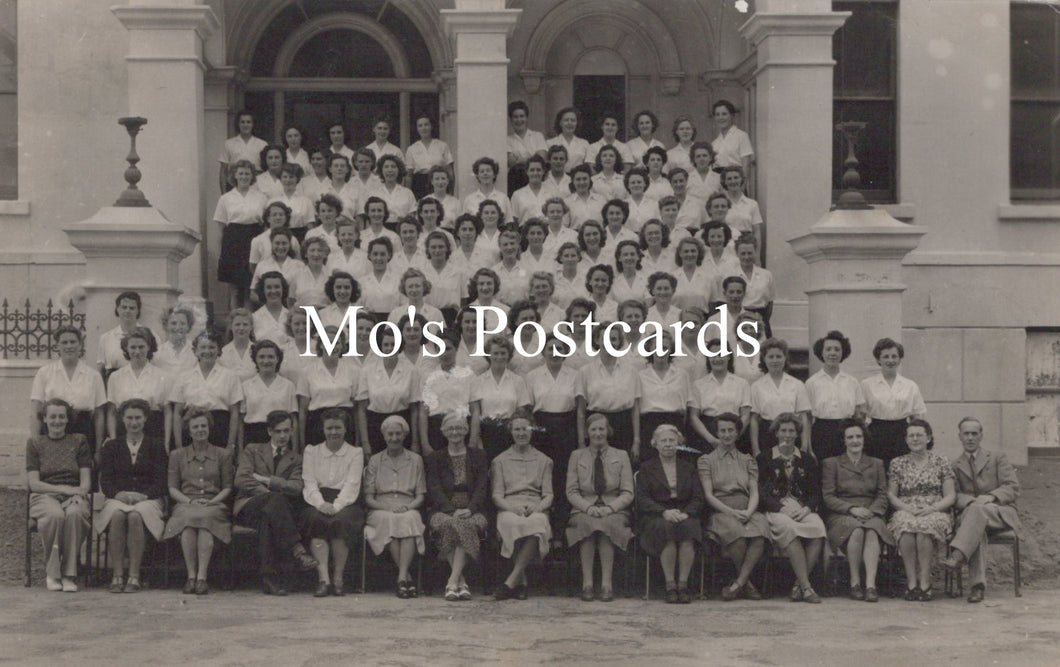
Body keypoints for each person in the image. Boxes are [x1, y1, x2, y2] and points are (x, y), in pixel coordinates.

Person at [233, 411, 318, 595]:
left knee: (268, 519)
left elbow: (296, 487)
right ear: (269, 431)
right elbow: (241, 480)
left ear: (292, 431)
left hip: (274, 513)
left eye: (286, 431)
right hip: (249, 505)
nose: (282, 436)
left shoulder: (296, 459)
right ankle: (297, 550)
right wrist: (270, 492)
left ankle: (269, 579)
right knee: (275, 501)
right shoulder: (252, 450)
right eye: (278, 431)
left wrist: (268, 480)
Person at [939, 417, 1022, 603]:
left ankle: (958, 555)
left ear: (981, 436)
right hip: (971, 517)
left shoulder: (997, 458)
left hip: (998, 513)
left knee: (976, 514)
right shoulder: (954, 465)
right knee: (976, 525)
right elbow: (955, 495)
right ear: (959, 436)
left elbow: (1012, 487)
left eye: (974, 433)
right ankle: (977, 587)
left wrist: (991, 497)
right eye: (966, 434)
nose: (970, 438)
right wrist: (972, 502)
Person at [96, 399, 168, 593]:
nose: (133, 422)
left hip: (148, 499)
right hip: (118, 498)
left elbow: (162, 481)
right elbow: (106, 481)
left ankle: (134, 576)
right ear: (122, 419)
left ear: (145, 419)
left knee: (136, 515)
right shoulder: (111, 446)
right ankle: (118, 575)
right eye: (129, 418)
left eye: (138, 418)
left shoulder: (156, 445)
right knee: (118, 515)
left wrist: (145, 496)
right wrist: (118, 494)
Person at [698, 412, 769, 601]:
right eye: (723, 431)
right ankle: (747, 584)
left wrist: (749, 511)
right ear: (717, 433)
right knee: (737, 536)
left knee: (759, 532)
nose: (727, 435)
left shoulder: (748, 460)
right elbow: (708, 495)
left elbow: (754, 491)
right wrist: (731, 512)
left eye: (731, 430)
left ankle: (737, 584)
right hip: (721, 510)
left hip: (747, 508)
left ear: (738, 433)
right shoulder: (706, 461)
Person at [162, 408, 235, 595]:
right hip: (186, 503)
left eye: (203, 425)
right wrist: (189, 501)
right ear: (189, 430)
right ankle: (191, 577)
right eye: (195, 427)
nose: (200, 430)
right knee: (188, 524)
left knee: (205, 523)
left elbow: (227, 487)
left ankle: (202, 577)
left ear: (209, 428)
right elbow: (172, 488)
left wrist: (213, 502)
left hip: (214, 504)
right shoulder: (177, 455)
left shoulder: (223, 454)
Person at [757, 413, 827, 604]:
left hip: (801, 507)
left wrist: (806, 509)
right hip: (776, 509)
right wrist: (780, 508)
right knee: (790, 529)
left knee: (818, 528)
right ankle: (806, 587)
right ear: (776, 433)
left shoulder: (807, 459)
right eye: (783, 431)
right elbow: (761, 493)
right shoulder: (764, 458)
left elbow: (815, 492)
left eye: (791, 431)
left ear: (797, 434)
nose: (787, 435)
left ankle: (798, 584)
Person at [26, 398, 93, 592]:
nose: (57, 421)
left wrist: (78, 493)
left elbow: (86, 482)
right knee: (55, 516)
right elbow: (34, 484)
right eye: (52, 416)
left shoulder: (79, 440)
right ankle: (53, 574)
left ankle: (68, 574)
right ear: (44, 419)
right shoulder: (35, 443)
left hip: (74, 495)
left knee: (74, 514)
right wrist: (65, 490)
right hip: (44, 495)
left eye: (61, 416)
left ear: (68, 419)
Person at [822, 419, 892, 603]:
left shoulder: (876, 463)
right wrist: (852, 509)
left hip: (871, 512)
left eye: (858, 436)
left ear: (864, 439)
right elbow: (828, 497)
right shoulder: (832, 463)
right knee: (857, 529)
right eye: (850, 437)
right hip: (842, 514)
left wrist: (873, 511)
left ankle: (870, 585)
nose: (855, 441)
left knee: (871, 529)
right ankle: (855, 582)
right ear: (844, 440)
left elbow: (882, 494)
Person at [566, 413, 634, 602]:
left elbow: (628, 492)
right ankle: (587, 583)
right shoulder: (576, 456)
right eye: (593, 429)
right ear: (587, 433)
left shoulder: (621, 456)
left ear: (608, 431)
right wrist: (588, 508)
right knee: (588, 523)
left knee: (606, 523)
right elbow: (571, 491)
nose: (598, 433)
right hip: (583, 509)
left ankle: (606, 584)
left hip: (613, 509)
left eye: (601, 429)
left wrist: (610, 508)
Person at [886, 419, 955, 602]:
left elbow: (950, 496)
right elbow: (892, 495)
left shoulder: (941, 461)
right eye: (911, 435)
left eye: (919, 435)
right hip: (905, 508)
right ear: (906, 440)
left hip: (935, 509)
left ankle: (925, 582)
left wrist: (932, 508)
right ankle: (911, 583)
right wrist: (907, 508)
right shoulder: (897, 463)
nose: (915, 439)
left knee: (925, 526)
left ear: (929, 438)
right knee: (905, 525)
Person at [636, 424, 706, 603]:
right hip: (656, 514)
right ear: (655, 444)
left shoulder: (688, 467)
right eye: (663, 441)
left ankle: (682, 585)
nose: (667, 444)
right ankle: (670, 586)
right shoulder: (646, 467)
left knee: (689, 529)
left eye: (671, 440)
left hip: (684, 512)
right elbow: (642, 499)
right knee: (666, 529)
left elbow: (698, 497)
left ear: (678, 443)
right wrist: (663, 512)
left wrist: (687, 513)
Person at [301, 409, 365, 597]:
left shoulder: (355, 453)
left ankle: (338, 578)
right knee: (316, 520)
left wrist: (336, 506)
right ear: (323, 429)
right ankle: (323, 579)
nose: (333, 432)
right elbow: (309, 482)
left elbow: (352, 484)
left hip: (346, 502)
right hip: (316, 500)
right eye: (329, 428)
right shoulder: (312, 451)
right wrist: (321, 504)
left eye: (338, 427)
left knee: (340, 522)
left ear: (345, 430)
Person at [425, 413, 490, 601]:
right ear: (443, 432)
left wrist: (469, 509)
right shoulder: (435, 458)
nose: (455, 432)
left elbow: (482, 487)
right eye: (451, 428)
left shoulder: (478, 456)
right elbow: (434, 488)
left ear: (467, 431)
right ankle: (460, 582)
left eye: (459, 428)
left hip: (473, 510)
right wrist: (452, 511)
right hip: (443, 510)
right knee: (450, 524)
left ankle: (452, 581)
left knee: (465, 524)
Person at [492, 411, 554, 600]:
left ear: (532, 431)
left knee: (537, 524)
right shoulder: (500, 460)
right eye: (517, 429)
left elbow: (549, 494)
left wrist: (539, 507)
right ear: (511, 432)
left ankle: (510, 582)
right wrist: (512, 508)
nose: (521, 433)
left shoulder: (544, 460)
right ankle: (521, 582)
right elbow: (496, 495)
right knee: (512, 523)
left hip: (536, 506)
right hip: (509, 506)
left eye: (525, 429)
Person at [364, 415, 427, 599]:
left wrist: (408, 507)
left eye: (398, 433)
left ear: (404, 435)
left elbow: (420, 495)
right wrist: (386, 507)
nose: (394, 438)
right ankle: (406, 577)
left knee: (409, 519)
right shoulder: (375, 460)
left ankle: (400, 578)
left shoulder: (416, 460)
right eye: (390, 434)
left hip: (408, 505)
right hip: (380, 508)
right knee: (391, 519)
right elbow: (368, 498)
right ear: (384, 436)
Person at [29, 325, 106, 458]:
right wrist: (36, 444)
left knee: (84, 472)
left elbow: (99, 415)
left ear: (80, 345)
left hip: (84, 429)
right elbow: (36, 412)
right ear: (57, 346)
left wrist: (98, 449)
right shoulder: (44, 373)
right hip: (53, 430)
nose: (69, 346)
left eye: (73, 341)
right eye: (64, 342)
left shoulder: (93, 376)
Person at [170, 331, 243, 450]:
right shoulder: (184, 377)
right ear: (195, 351)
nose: (207, 351)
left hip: (220, 429)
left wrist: (230, 444)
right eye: (203, 347)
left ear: (219, 350)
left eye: (212, 347)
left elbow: (235, 413)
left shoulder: (230, 376)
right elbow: (177, 413)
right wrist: (179, 445)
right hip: (192, 428)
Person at [356, 328, 423, 454]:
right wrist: (365, 443)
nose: (390, 348)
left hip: (403, 427)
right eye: (386, 344)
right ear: (380, 347)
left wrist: (415, 442)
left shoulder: (411, 371)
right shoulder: (367, 371)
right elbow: (362, 410)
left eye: (394, 344)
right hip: (375, 426)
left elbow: (414, 409)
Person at [862, 337, 927, 466]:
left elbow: (917, 416)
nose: (890, 360)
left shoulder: (910, 385)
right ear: (878, 360)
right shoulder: (866, 384)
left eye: (894, 356)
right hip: (876, 434)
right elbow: (861, 415)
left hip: (902, 434)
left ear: (899, 359)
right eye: (886, 357)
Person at [805, 330, 867, 462]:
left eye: (837, 349)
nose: (832, 353)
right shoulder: (812, 383)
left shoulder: (852, 382)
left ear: (842, 353)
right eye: (828, 349)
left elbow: (858, 415)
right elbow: (808, 419)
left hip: (846, 433)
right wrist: (808, 446)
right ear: (821, 353)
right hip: (821, 433)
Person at [214, 159, 267, 310]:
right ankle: (234, 326)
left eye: (247, 174)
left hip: (254, 238)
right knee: (235, 289)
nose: (244, 177)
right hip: (233, 240)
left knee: (250, 287)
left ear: (252, 176)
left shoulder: (261, 197)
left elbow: (264, 224)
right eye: (241, 173)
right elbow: (220, 227)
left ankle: (249, 324)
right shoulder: (225, 198)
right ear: (235, 176)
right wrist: (221, 252)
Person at [470, 334, 530, 461]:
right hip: (487, 432)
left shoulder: (518, 381)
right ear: (488, 355)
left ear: (509, 356)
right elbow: (476, 413)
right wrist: (475, 440)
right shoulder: (478, 381)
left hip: (510, 433)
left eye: (503, 353)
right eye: (495, 353)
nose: (499, 357)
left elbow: (521, 413)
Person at [688, 338, 752, 454]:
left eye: (721, 354)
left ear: (728, 356)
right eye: (713, 355)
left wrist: (733, 436)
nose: (717, 359)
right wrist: (711, 439)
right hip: (707, 435)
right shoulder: (698, 385)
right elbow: (693, 417)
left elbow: (746, 416)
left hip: (736, 434)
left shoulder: (742, 383)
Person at [105, 327, 169, 445]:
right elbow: (111, 412)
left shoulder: (162, 376)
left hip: (153, 431)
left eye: (141, 347)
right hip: (124, 430)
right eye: (133, 347)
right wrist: (113, 439)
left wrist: (166, 441)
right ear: (126, 348)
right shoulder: (115, 377)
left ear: (149, 347)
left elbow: (167, 412)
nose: (137, 351)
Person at [750, 338, 810, 456]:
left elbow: (803, 417)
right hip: (767, 436)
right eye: (770, 357)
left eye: (779, 356)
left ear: (785, 358)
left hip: (791, 434)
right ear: (764, 359)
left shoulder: (797, 384)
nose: (775, 360)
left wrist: (804, 445)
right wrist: (756, 449)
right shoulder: (756, 386)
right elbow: (754, 420)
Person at [420, 336, 475, 454]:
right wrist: (425, 443)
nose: (444, 353)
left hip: (461, 426)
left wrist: (473, 439)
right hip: (436, 429)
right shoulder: (429, 376)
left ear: (456, 349)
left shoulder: (468, 375)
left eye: (448, 348)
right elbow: (423, 412)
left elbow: (475, 410)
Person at [240, 340, 298, 451]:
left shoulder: (288, 385)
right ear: (255, 359)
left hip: (281, 436)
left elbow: (293, 420)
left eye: (271, 357)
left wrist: (294, 450)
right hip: (254, 437)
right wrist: (240, 449)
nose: (266, 361)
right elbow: (240, 421)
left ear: (278, 359)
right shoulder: (246, 386)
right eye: (261, 357)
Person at [96, 291, 144, 378]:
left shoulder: (150, 336)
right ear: (117, 309)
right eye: (124, 307)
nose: (127, 311)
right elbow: (101, 370)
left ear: (138, 311)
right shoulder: (106, 338)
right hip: (114, 386)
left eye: (132, 308)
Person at [405, 114, 453, 199]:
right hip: (420, 184)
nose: (423, 128)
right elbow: (409, 175)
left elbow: (450, 171)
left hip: (439, 182)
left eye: (426, 124)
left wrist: (451, 192)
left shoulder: (442, 145)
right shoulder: (412, 148)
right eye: (420, 126)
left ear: (431, 126)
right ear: (417, 128)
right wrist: (408, 195)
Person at [218, 110, 267, 192]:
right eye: (242, 122)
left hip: (257, 184)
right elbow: (223, 172)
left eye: (248, 122)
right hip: (234, 184)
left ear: (253, 124)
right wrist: (223, 193)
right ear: (238, 124)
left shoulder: (262, 144)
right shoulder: (229, 143)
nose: (245, 125)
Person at [507, 100, 548, 192]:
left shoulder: (538, 136)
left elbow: (541, 158)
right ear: (511, 119)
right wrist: (531, 157)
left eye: (522, 116)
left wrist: (520, 160)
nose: (519, 120)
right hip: (515, 181)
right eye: (515, 117)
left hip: (536, 179)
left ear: (526, 118)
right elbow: (511, 162)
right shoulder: (507, 140)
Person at [711, 100, 755, 175]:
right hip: (718, 181)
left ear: (732, 116)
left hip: (735, 180)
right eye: (717, 114)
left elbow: (746, 165)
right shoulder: (714, 142)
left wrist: (742, 185)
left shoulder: (741, 136)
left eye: (724, 114)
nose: (720, 117)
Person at [463, 157, 512, 223]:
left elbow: (508, 221)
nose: (485, 173)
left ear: (494, 174)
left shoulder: (504, 198)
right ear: (477, 176)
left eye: (488, 170)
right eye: (482, 171)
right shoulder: (469, 199)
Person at [154, 305, 197, 377]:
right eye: (173, 323)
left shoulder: (196, 351)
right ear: (166, 326)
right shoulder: (158, 353)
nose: (178, 327)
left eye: (182, 323)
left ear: (188, 326)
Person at [218, 308, 257, 381]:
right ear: (230, 326)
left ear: (251, 327)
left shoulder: (258, 351)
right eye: (237, 324)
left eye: (245, 324)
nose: (241, 328)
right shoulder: (223, 353)